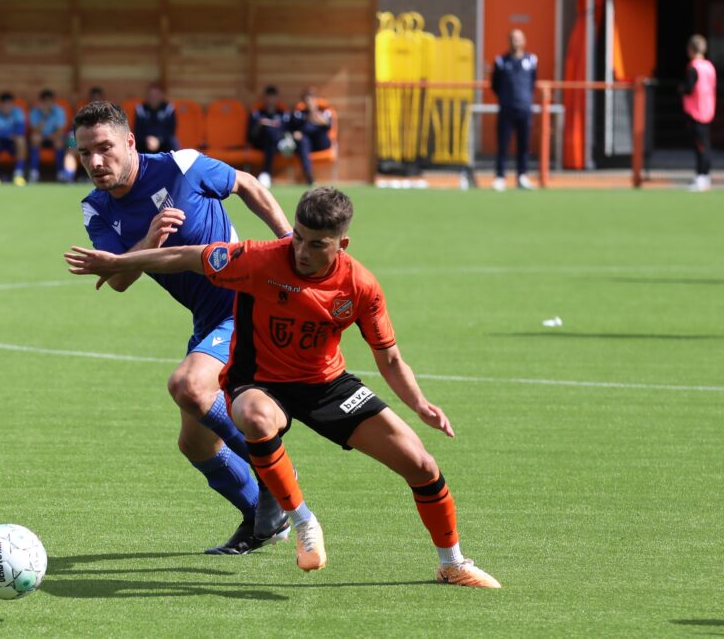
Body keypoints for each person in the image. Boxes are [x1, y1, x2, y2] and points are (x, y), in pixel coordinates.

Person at [65, 186, 501, 587]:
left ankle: (453, 563)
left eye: (317, 244)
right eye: (298, 237)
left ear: (341, 245)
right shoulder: (258, 259)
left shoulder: (361, 285)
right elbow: (184, 256)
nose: (302, 251)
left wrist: (420, 403)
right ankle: (302, 521)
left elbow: (389, 357)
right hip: (261, 382)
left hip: (327, 385)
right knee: (254, 417)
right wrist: (121, 262)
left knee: (421, 465)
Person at [72, 101, 294, 554]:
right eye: (84, 153)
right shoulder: (95, 208)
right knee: (195, 444)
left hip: (247, 304)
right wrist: (147, 242)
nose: (95, 162)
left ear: (130, 142)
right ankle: (263, 520)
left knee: (189, 386)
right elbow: (117, 280)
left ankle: (272, 476)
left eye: (105, 148)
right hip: (209, 320)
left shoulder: (182, 166)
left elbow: (247, 184)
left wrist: (289, 244)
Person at [491, 29, 537, 191]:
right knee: (503, 145)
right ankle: (500, 176)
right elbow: (494, 85)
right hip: (506, 110)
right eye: (512, 39)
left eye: (518, 39)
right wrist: (506, 98)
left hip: (524, 109)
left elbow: (533, 83)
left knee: (524, 145)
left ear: (524, 41)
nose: (515, 42)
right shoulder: (501, 61)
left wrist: (524, 99)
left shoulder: (531, 60)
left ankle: (522, 176)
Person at [681, 34, 716, 192]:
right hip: (708, 108)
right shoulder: (709, 66)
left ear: (691, 49)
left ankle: (702, 175)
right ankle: (703, 176)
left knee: (701, 146)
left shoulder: (694, 67)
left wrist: (680, 89)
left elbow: (689, 88)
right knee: (704, 144)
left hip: (697, 110)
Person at [288, 87, 333, 187]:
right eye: (307, 99)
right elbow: (292, 129)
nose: (309, 102)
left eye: (311, 99)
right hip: (306, 144)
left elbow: (328, 124)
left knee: (313, 130)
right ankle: (308, 175)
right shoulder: (299, 114)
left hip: (321, 142)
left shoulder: (324, 111)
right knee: (303, 140)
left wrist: (315, 116)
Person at [248, 85, 287, 189]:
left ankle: (266, 174)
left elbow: (285, 131)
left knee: (272, 139)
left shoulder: (283, 114)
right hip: (259, 143)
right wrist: (258, 125)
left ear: (277, 98)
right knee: (269, 133)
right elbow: (250, 136)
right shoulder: (257, 113)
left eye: (273, 97)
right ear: (264, 98)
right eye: (268, 97)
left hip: (275, 144)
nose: (270, 100)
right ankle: (266, 174)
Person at [28, 89, 70, 183]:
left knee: (59, 141)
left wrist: (50, 136)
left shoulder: (59, 111)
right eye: (45, 101)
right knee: (35, 138)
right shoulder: (35, 111)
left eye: (50, 101)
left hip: (54, 137)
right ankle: (34, 172)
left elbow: (59, 131)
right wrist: (44, 116)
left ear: (53, 101)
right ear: (41, 102)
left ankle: (60, 173)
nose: (47, 103)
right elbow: (35, 131)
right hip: (40, 137)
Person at [134, 83, 178, 154]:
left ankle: (174, 164)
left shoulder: (169, 109)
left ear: (162, 95)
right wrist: (147, 140)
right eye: (151, 95)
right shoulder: (140, 109)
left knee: (173, 141)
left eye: (156, 95)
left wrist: (158, 140)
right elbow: (138, 130)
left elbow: (171, 131)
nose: (153, 98)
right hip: (145, 143)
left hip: (163, 142)